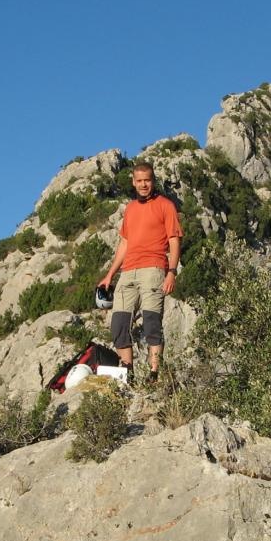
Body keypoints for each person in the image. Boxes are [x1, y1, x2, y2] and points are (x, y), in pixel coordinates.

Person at [99, 161, 182, 383]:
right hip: (128, 272)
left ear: (153, 180)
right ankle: (128, 374)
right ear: (133, 182)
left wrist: (171, 271)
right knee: (118, 325)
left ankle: (154, 374)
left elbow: (174, 240)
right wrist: (110, 275)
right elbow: (124, 243)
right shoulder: (131, 209)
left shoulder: (166, 205)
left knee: (152, 323)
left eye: (147, 180)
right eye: (139, 181)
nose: (143, 185)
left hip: (153, 270)